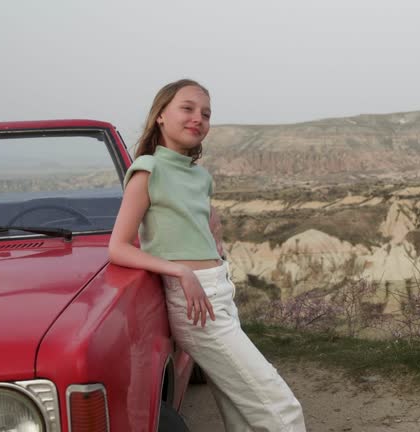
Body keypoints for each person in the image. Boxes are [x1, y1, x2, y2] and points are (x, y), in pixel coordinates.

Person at [109, 78, 306, 432]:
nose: (198, 118)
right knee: (282, 409)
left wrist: (216, 252)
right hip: (194, 302)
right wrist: (180, 272)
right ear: (161, 116)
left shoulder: (200, 177)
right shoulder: (147, 171)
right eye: (187, 108)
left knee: (241, 414)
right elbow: (118, 247)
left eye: (206, 113)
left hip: (219, 291)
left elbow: (204, 228)